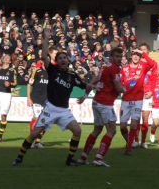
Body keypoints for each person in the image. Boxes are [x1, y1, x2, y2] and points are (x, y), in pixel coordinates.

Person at [13, 28, 98, 166]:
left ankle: (70, 160)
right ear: (56, 61)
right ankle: (19, 157)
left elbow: (84, 86)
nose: (63, 59)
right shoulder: (52, 70)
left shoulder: (72, 75)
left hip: (64, 110)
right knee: (34, 134)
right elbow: (44, 56)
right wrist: (46, 38)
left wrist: (89, 90)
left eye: (65, 57)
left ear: (67, 60)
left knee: (77, 130)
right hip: (50, 108)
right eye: (60, 58)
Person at [77, 48, 126, 167]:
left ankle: (83, 157)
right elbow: (119, 88)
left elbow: (93, 80)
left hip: (96, 102)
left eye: (121, 56)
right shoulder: (114, 68)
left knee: (97, 130)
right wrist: (129, 89)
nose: (119, 59)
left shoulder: (105, 67)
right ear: (112, 58)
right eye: (117, 56)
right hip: (105, 103)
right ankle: (98, 158)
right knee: (112, 130)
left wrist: (85, 95)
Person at [120, 48, 154, 155]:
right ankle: (129, 142)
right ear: (131, 56)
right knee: (122, 126)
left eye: (137, 55)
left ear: (140, 57)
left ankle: (128, 148)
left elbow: (152, 63)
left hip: (138, 100)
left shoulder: (143, 67)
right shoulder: (124, 68)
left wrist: (142, 52)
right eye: (134, 55)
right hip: (125, 100)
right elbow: (120, 83)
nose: (135, 57)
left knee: (134, 123)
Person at [132, 42, 158, 148]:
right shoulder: (136, 62)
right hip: (138, 93)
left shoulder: (152, 64)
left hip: (148, 94)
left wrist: (152, 91)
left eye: (144, 49)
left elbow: (154, 79)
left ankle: (143, 141)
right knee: (136, 118)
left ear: (148, 51)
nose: (142, 51)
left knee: (145, 117)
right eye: (140, 49)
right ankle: (136, 140)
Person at [0, 54, 17, 142]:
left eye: (8, 57)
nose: (6, 58)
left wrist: (10, 84)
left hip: (6, 94)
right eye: (5, 57)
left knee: (3, 115)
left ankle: (0, 136)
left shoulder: (12, 71)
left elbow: (15, 82)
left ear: (10, 61)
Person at [27, 60, 48, 148]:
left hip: (47, 99)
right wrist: (28, 98)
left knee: (46, 121)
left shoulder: (52, 72)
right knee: (37, 118)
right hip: (37, 98)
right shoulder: (37, 71)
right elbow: (29, 84)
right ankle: (31, 141)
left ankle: (38, 141)